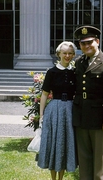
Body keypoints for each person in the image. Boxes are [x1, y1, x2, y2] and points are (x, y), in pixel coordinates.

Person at [72, 26, 103, 180]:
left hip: (100, 120)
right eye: (83, 43)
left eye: (90, 42)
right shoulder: (79, 62)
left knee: (99, 162)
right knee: (84, 159)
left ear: (97, 42)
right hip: (81, 118)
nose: (86, 46)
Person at [37, 41, 78, 180]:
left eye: (70, 53)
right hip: (54, 111)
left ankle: (61, 178)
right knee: (55, 143)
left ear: (73, 55)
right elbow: (44, 94)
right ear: (59, 54)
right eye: (65, 53)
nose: (67, 55)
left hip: (70, 111)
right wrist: (41, 115)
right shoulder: (52, 72)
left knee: (65, 143)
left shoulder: (74, 72)